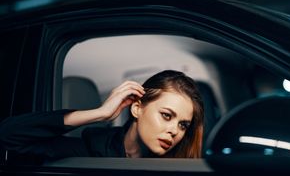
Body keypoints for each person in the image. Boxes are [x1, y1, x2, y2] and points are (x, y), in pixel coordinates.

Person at [0, 70, 204, 160]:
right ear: (137, 108)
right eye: (167, 116)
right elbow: (9, 134)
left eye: (183, 125)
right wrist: (100, 113)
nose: (174, 131)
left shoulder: (179, 167)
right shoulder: (91, 151)